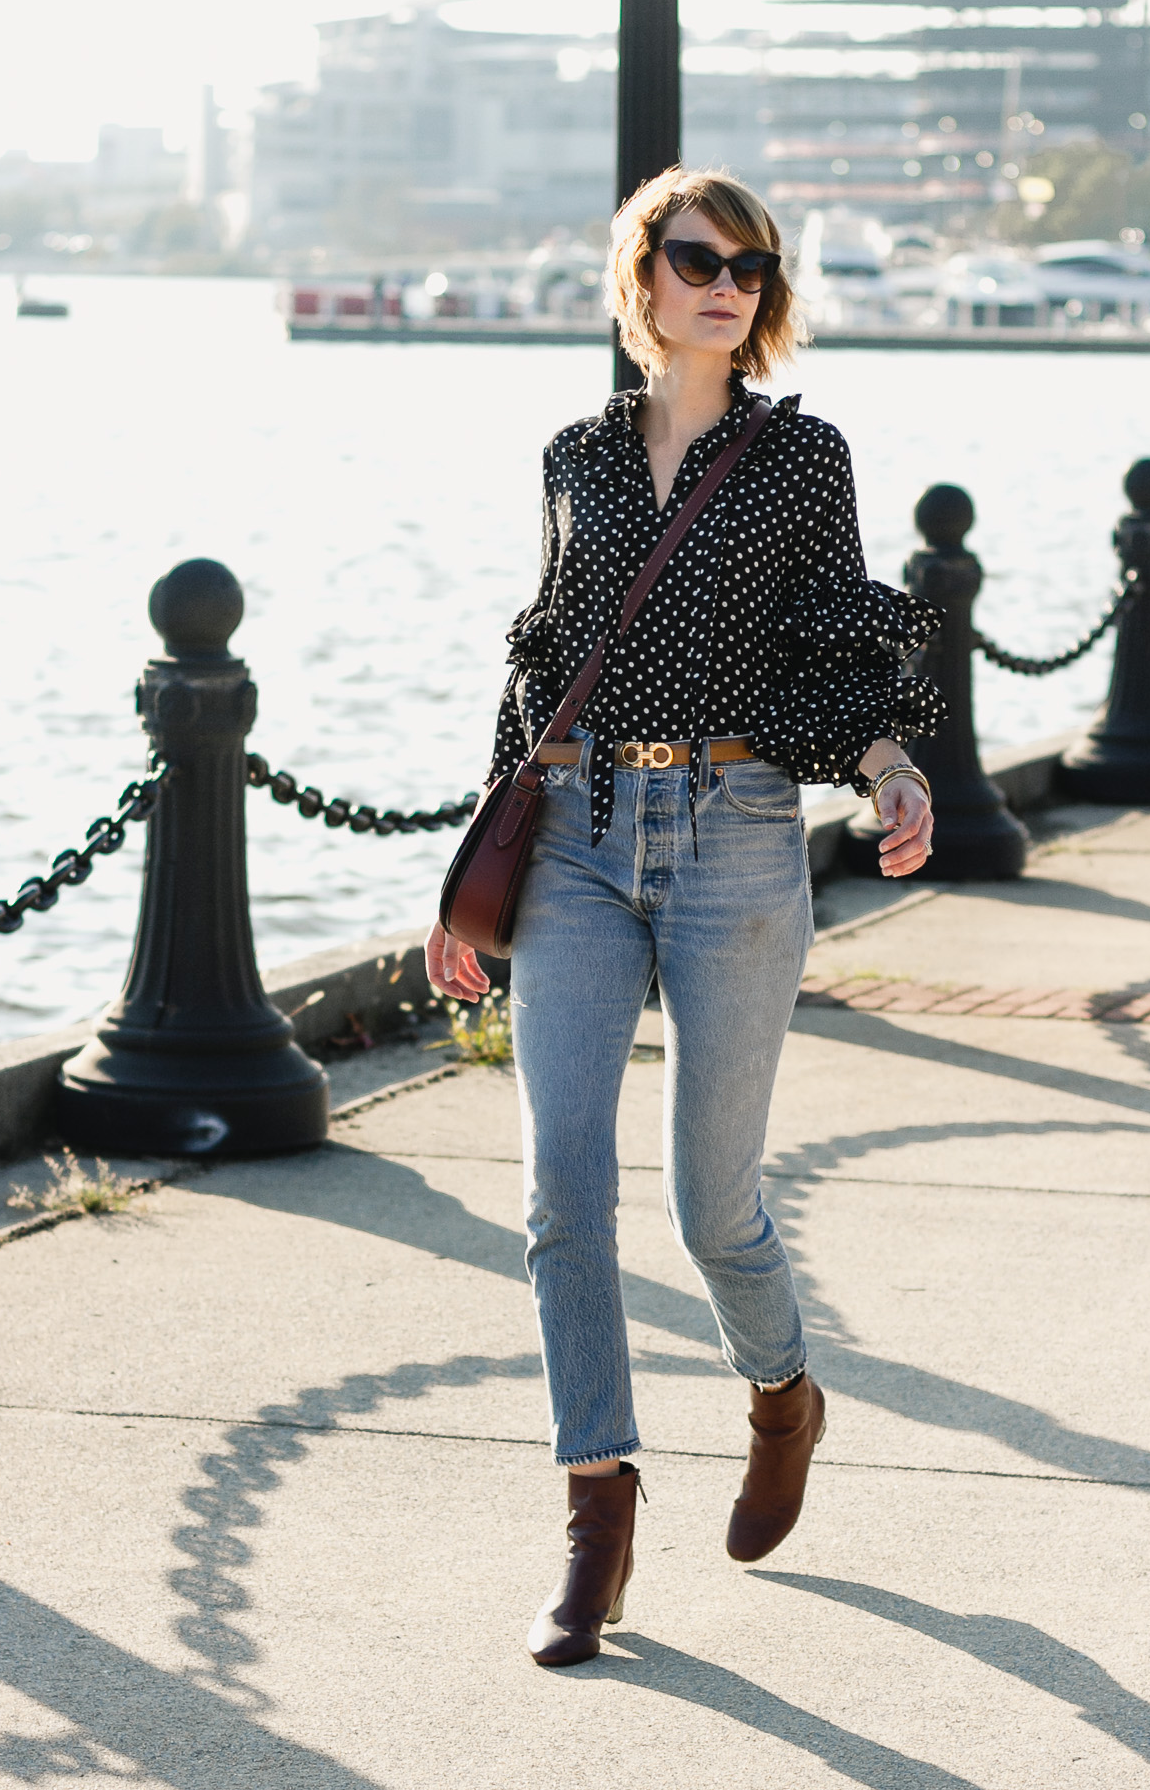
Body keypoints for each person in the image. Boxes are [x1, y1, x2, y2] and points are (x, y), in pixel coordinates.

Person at [425, 166, 942, 1668]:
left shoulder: (800, 458)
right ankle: (596, 1516)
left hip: (732, 841)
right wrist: (477, 862)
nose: (729, 285)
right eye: (700, 258)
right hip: (575, 839)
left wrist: (892, 761)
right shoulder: (574, 454)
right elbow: (539, 661)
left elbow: (842, 631)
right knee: (557, 1194)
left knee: (711, 1205)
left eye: (753, 269)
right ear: (641, 274)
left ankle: (782, 1390)